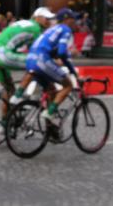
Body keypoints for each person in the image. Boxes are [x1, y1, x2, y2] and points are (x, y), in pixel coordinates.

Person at [0, 7, 55, 127]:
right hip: (3, 54)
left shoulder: (26, 23)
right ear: (37, 17)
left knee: (9, 90)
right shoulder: (36, 29)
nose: (48, 21)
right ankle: (22, 96)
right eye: (46, 18)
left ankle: (4, 124)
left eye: (50, 18)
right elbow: (39, 53)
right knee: (36, 64)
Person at [24, 8, 79, 139]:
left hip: (30, 60)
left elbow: (55, 52)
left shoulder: (51, 29)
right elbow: (61, 53)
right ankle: (49, 113)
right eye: (73, 19)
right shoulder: (65, 29)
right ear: (66, 19)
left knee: (51, 89)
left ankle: (49, 128)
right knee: (68, 85)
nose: (75, 21)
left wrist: (70, 68)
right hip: (41, 60)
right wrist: (72, 66)